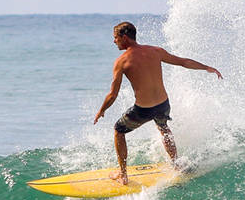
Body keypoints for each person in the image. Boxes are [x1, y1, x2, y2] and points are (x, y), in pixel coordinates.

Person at [93, 21, 222, 184]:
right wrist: (206, 67)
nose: (114, 41)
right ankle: (176, 163)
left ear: (124, 37)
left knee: (119, 130)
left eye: (115, 38)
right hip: (163, 104)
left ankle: (123, 174)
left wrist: (101, 110)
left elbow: (113, 94)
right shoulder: (155, 51)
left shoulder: (122, 61)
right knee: (163, 127)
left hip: (143, 110)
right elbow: (183, 62)